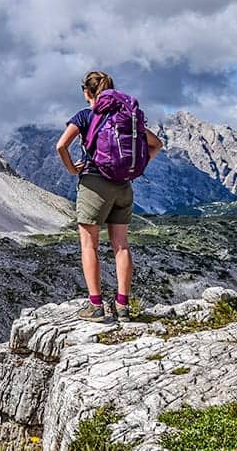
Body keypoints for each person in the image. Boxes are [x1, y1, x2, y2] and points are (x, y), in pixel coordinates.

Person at [56, 71, 163, 322]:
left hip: (94, 184)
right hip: (124, 186)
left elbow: (61, 146)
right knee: (122, 246)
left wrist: (73, 169)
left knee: (89, 245)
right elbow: (156, 144)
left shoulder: (85, 116)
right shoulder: (127, 118)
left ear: (87, 92)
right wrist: (137, 166)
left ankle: (96, 307)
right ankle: (123, 306)